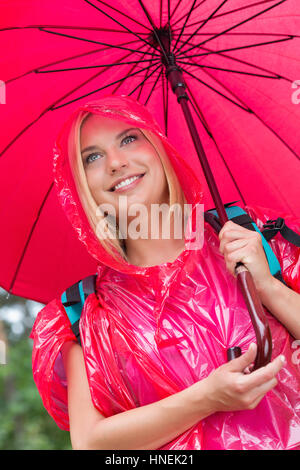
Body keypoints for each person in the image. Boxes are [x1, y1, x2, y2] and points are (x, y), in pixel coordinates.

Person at [30, 95, 300, 450]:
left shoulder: (253, 237)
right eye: (92, 157)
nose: (116, 162)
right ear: (80, 187)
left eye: (129, 138)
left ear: (159, 147)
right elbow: (92, 442)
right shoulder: (83, 312)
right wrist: (207, 398)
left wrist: (266, 285)